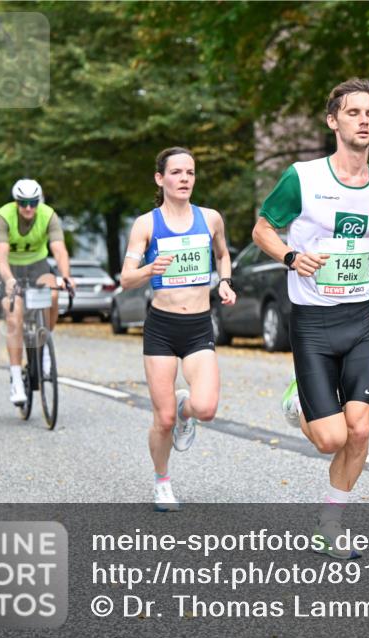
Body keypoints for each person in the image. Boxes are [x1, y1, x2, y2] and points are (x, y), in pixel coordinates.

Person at [252, 79, 369, 558]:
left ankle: (331, 521)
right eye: (353, 113)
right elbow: (262, 228)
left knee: (361, 429)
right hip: (311, 320)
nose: (364, 121)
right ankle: (299, 406)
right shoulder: (303, 178)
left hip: (359, 321)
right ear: (334, 121)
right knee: (331, 438)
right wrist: (290, 256)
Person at [121, 147, 236, 512]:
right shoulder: (147, 224)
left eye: (190, 172)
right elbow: (126, 279)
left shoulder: (211, 218)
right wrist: (149, 270)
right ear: (160, 179)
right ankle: (162, 482)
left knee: (206, 407)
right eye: (176, 172)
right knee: (163, 418)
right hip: (162, 328)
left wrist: (225, 281)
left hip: (199, 324)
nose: (185, 178)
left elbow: (222, 254)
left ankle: (187, 410)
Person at [0, 179, 73, 404]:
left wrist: (65, 276)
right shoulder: (4, 215)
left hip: (37, 264)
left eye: (33, 202)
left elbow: (59, 249)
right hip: (10, 266)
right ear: (16, 202)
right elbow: (1, 255)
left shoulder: (48, 215)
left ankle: (45, 347)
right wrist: (9, 280)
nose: (28, 208)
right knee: (15, 315)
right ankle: (15, 379)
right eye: (23, 203)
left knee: (53, 293)